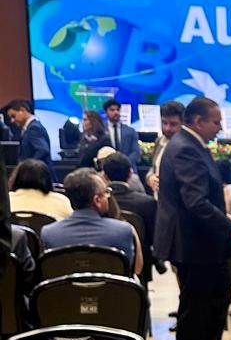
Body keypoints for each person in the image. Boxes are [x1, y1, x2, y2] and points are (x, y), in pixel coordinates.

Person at [155, 97, 231, 340]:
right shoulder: (185, 148)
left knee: (218, 296)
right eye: (216, 122)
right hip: (192, 242)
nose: (220, 128)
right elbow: (195, 202)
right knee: (196, 305)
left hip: (205, 242)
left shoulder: (192, 145)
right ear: (198, 121)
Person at [41, 168, 136, 268]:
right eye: (106, 192)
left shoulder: (48, 233)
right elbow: (128, 270)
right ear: (97, 200)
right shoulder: (123, 231)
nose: (108, 196)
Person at [102, 151, 157, 281]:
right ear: (130, 174)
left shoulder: (100, 204)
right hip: (141, 264)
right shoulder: (147, 202)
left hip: (105, 258)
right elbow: (153, 237)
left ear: (105, 175)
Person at [147, 101, 185, 197]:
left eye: (173, 124)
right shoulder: (159, 141)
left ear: (183, 123)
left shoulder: (187, 146)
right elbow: (153, 168)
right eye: (164, 123)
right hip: (158, 200)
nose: (167, 128)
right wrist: (150, 177)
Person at [6, 99, 53, 175]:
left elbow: (42, 150)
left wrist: (27, 168)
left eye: (13, 116)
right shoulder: (29, 128)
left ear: (22, 110)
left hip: (39, 176)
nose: (12, 120)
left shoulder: (34, 128)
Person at [103, 98, 141, 166]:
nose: (116, 112)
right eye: (112, 110)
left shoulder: (131, 131)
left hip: (128, 167)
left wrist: (124, 163)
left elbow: (136, 152)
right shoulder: (101, 130)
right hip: (106, 167)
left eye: (118, 110)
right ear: (106, 112)